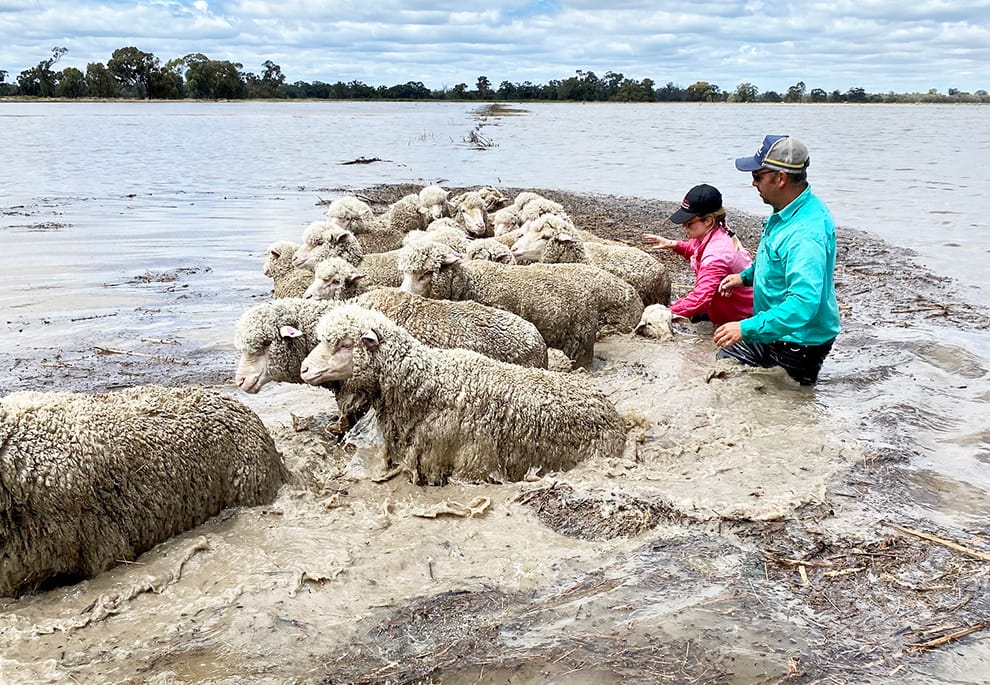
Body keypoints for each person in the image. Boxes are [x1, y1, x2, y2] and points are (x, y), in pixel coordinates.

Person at [713, 134, 841, 386]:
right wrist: (744, 277)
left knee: (786, 404)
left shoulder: (805, 234)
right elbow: (773, 258)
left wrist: (745, 328)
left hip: (799, 342)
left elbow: (804, 304)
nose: (753, 183)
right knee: (725, 371)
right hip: (770, 328)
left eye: (758, 176)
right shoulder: (785, 210)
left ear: (780, 178)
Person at [643, 184, 754, 326]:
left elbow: (700, 299)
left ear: (708, 221)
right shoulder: (716, 232)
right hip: (726, 306)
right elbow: (696, 249)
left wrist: (663, 313)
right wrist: (674, 244)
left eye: (688, 223)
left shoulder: (717, 256)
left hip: (742, 319)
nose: (684, 227)